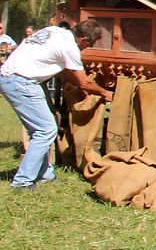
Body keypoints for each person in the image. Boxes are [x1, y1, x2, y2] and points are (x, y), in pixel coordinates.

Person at [0, 19, 113, 189]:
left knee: (40, 129)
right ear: (84, 39)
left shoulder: (55, 31)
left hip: (14, 76)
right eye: (89, 45)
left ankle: (45, 174)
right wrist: (105, 93)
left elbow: (66, 72)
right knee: (45, 130)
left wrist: (83, 86)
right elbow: (83, 81)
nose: (86, 49)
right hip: (21, 81)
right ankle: (22, 182)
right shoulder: (70, 47)